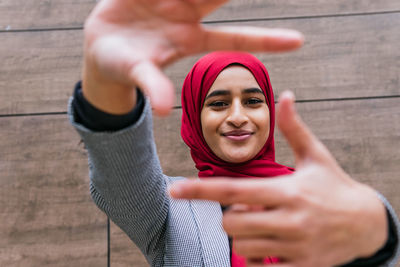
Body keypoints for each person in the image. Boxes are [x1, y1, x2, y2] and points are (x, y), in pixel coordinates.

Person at [69, 0, 399, 266]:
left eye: (253, 101)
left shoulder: (312, 196)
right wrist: (106, 80)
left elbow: (366, 244)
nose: (238, 117)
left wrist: (374, 225)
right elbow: (120, 171)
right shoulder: (170, 206)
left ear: (270, 111)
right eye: (218, 103)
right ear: (195, 121)